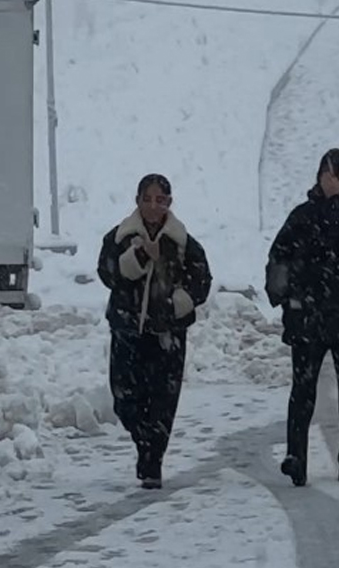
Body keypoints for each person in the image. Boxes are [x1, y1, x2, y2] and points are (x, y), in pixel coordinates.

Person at [265, 147, 339, 487]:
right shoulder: (303, 214)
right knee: (302, 388)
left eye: (334, 174)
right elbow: (279, 254)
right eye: (324, 172)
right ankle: (296, 456)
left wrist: (338, 203)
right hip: (308, 314)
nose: (327, 179)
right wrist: (281, 294)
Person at [97, 173, 212, 489]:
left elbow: (202, 280)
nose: (152, 206)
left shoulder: (182, 242)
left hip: (167, 333)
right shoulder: (120, 237)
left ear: (169, 203)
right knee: (125, 398)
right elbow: (108, 274)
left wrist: (180, 302)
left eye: (160, 200)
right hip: (128, 329)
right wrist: (139, 256)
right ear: (137, 201)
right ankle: (144, 441)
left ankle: (152, 463)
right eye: (147, 199)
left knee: (163, 400)